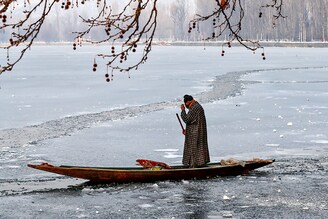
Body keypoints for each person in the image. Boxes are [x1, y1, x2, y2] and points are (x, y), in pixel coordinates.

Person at [180, 94, 210, 168]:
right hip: (196, 131)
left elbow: (187, 119)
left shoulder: (195, 108)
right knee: (197, 148)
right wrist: (187, 130)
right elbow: (194, 121)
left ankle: (196, 165)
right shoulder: (196, 106)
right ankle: (196, 164)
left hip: (196, 133)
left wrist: (183, 111)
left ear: (189, 101)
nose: (186, 106)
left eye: (186, 104)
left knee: (195, 148)